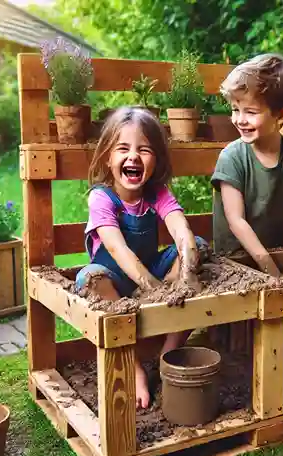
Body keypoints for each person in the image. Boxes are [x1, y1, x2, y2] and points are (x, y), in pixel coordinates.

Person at [76, 106, 204, 409]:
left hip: (150, 270)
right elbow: (118, 250)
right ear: (108, 157)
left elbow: (181, 230)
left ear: (155, 159)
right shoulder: (101, 198)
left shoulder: (157, 193)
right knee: (89, 278)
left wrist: (187, 273)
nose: (133, 156)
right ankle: (134, 368)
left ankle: (167, 356)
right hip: (115, 281)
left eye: (143, 150)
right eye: (123, 148)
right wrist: (154, 289)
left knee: (198, 249)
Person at [211, 53, 283, 278]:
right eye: (234, 109)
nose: (240, 119)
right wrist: (271, 271)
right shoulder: (231, 157)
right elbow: (236, 220)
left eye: (250, 112)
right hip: (233, 263)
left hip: (276, 252)